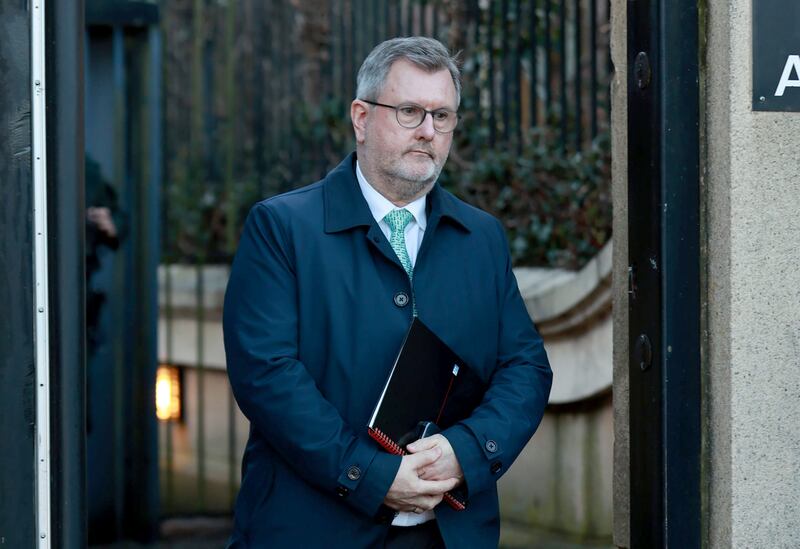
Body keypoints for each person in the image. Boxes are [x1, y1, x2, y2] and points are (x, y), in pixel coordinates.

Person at [223, 36, 552, 548]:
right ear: (361, 116)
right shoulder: (282, 227)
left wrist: (466, 451)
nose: (427, 132)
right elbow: (266, 375)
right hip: (313, 531)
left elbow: (526, 367)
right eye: (409, 111)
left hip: (448, 535)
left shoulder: (482, 237)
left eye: (442, 117)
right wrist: (372, 476)